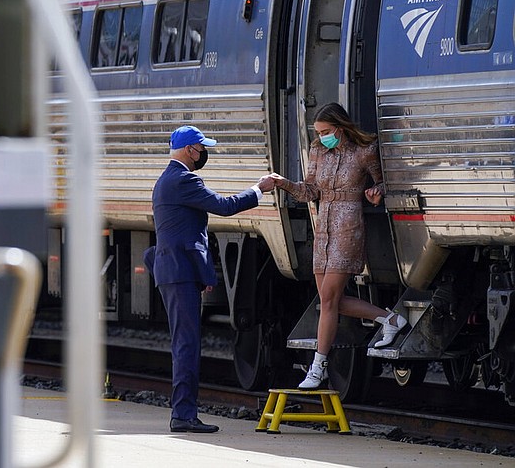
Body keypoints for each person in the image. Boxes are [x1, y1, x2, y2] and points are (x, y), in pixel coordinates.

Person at [143, 125, 275, 433]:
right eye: (203, 149)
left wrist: (203, 273)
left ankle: (184, 412)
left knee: (185, 343)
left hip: (176, 270)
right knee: (186, 345)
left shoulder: (167, 180)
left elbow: (188, 234)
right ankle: (183, 415)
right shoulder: (183, 179)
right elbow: (224, 207)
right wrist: (259, 188)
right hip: (178, 272)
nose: (205, 154)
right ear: (190, 150)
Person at [268, 103, 407, 390]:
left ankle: (318, 368)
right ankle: (390, 319)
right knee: (328, 301)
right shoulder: (318, 151)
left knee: (329, 300)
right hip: (324, 229)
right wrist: (282, 183)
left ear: (340, 128)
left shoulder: (364, 151)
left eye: (326, 132)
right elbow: (311, 192)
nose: (321, 138)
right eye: (318, 133)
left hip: (349, 227)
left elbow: (383, 182)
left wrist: (374, 192)